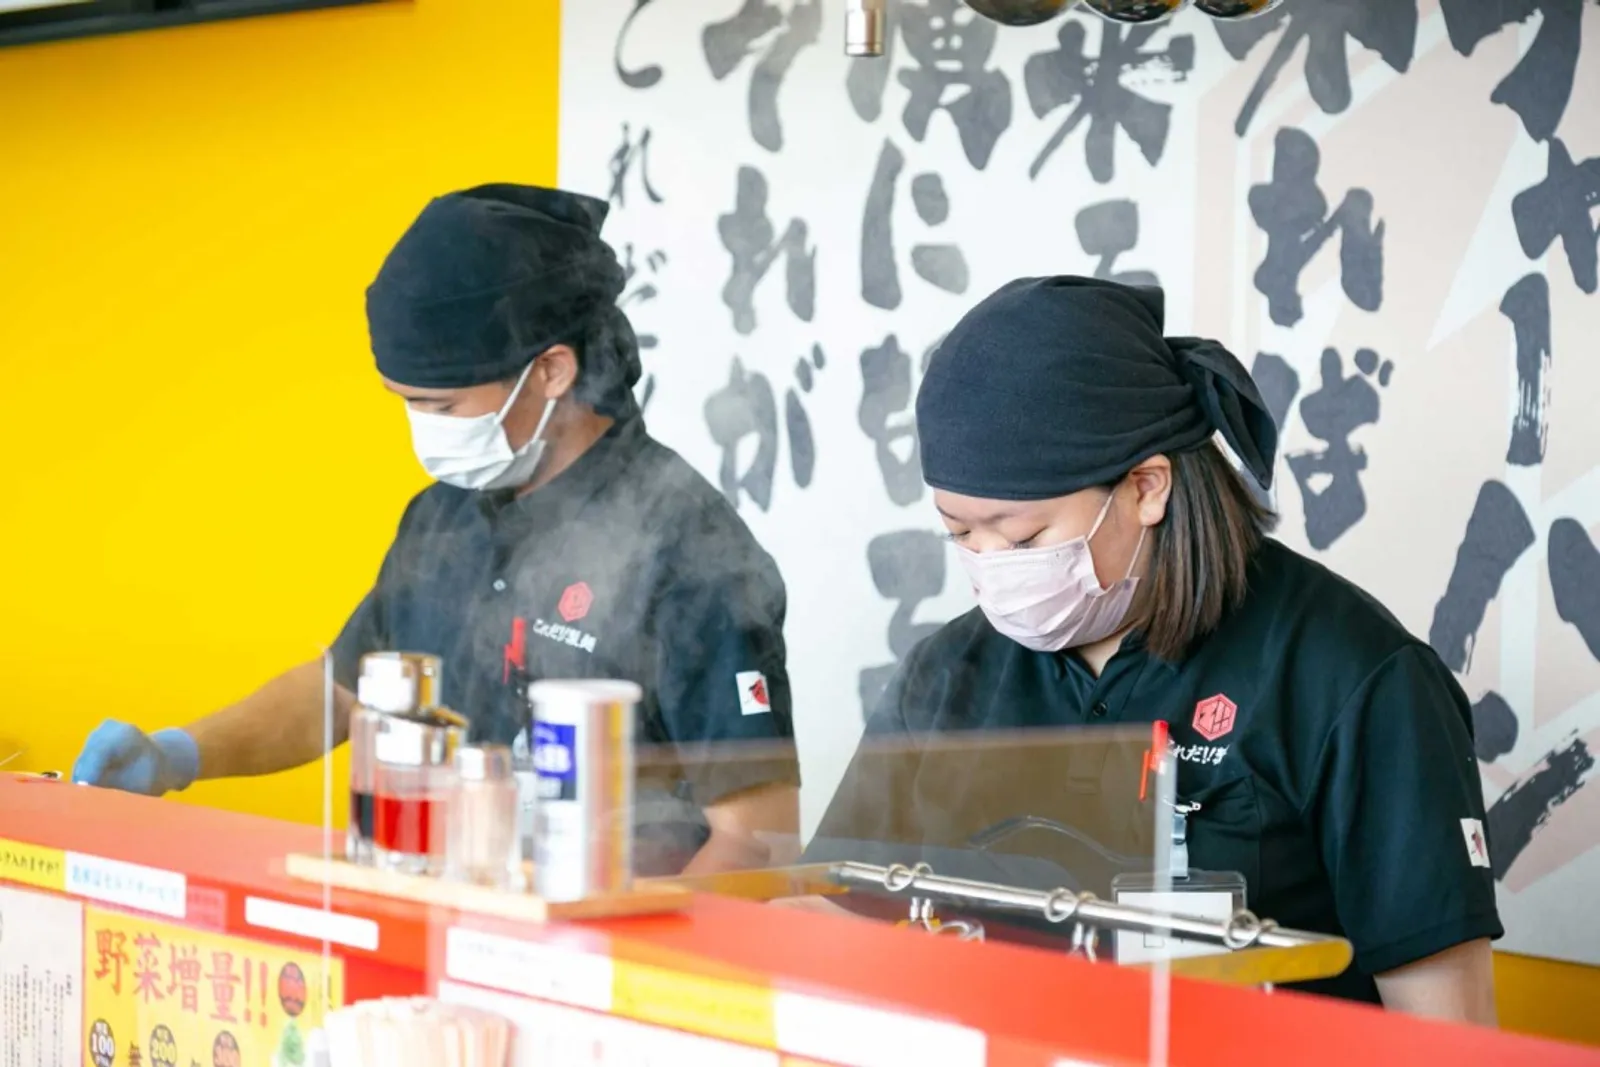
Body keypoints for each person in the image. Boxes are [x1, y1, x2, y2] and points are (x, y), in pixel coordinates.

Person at [806, 276, 1501, 1021]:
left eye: (1020, 537)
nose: (989, 569)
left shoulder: (1354, 679)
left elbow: (1445, 1029)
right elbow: (824, 919)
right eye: (961, 535)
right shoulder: (947, 675)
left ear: (1147, 487)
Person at [72, 184, 800, 876]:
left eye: (442, 407)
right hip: (443, 934)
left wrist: (609, 968)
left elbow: (756, 839)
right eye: (405, 403)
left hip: (607, 964)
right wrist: (178, 755)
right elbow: (344, 691)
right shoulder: (443, 516)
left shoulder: (688, 549)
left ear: (551, 371)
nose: (425, 432)